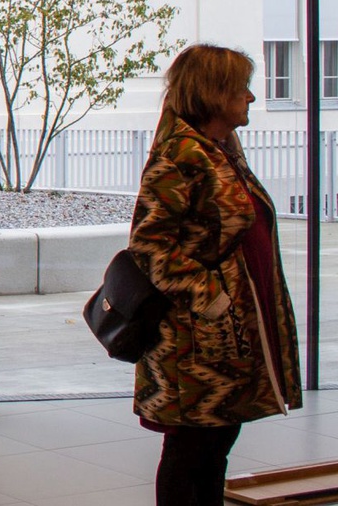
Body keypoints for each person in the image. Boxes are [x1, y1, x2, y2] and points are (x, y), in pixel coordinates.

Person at [130, 44, 301, 505]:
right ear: (213, 92)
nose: (251, 97)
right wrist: (214, 300)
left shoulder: (219, 151)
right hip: (196, 339)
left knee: (215, 444)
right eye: (242, 87)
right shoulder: (181, 155)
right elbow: (150, 247)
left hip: (226, 336)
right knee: (191, 448)